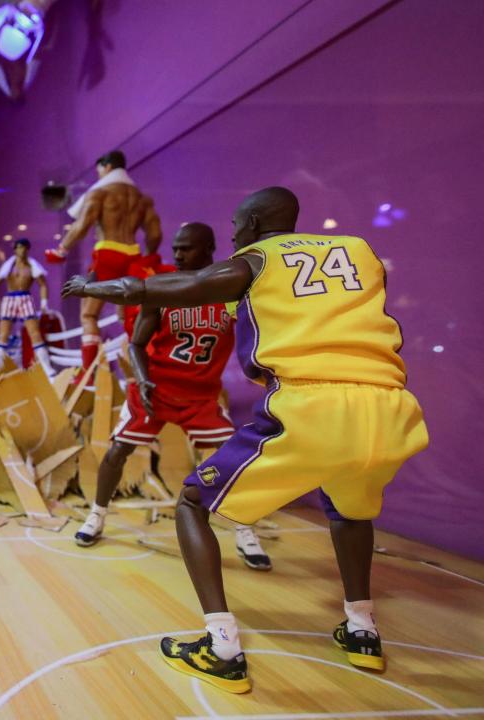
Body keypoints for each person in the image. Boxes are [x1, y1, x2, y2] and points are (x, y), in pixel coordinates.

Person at [62, 186, 428, 694]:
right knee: (350, 513)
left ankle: (221, 648)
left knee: (192, 502)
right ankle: (362, 629)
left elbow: (153, 290)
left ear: (253, 224)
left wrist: (93, 286)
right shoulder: (361, 253)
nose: (234, 234)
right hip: (390, 407)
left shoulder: (251, 262)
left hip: (308, 404)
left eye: (236, 225)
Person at [73, 223, 272, 572]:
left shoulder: (230, 291)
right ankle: (97, 514)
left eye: (186, 248)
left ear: (209, 248)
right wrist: (142, 379)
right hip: (157, 389)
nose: (177, 254)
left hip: (201, 396)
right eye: (176, 247)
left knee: (236, 459)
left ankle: (245, 529)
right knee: (118, 450)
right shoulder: (163, 288)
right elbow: (136, 344)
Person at [50, 150, 162, 370]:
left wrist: (61, 250)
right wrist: (148, 257)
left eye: (99, 170)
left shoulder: (100, 193)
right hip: (133, 257)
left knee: (89, 314)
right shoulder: (141, 198)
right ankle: (137, 373)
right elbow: (155, 234)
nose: (99, 174)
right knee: (128, 316)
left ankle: (88, 375)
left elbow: (81, 225)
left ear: (107, 167)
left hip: (107, 254)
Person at [0, 238, 55, 374]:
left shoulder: (32, 266)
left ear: (27, 249)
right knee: (3, 334)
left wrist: (44, 303)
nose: (21, 250)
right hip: (10, 298)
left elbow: (43, 284)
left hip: (25, 298)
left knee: (35, 333)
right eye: (19, 247)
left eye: (24, 248)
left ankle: (46, 367)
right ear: (15, 250)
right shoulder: (8, 266)